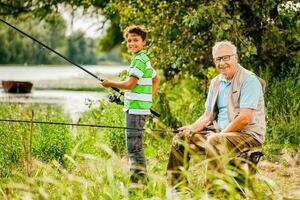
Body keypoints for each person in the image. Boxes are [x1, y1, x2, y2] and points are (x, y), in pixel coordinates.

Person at [166, 40, 266, 186]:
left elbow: (244, 118)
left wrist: (221, 135)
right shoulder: (216, 82)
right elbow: (207, 116)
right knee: (180, 139)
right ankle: (177, 188)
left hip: (247, 135)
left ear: (235, 57)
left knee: (215, 141)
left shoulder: (249, 80)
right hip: (220, 133)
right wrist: (192, 128)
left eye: (226, 57)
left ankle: (212, 192)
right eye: (218, 59)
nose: (222, 63)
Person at [100, 25, 160, 183]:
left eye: (136, 40)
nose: (132, 43)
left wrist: (109, 83)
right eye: (129, 40)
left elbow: (130, 84)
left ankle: (138, 184)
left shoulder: (139, 60)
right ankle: (141, 182)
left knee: (134, 148)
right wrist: (148, 98)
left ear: (144, 42)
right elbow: (156, 79)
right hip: (138, 108)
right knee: (135, 146)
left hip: (136, 110)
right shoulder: (143, 59)